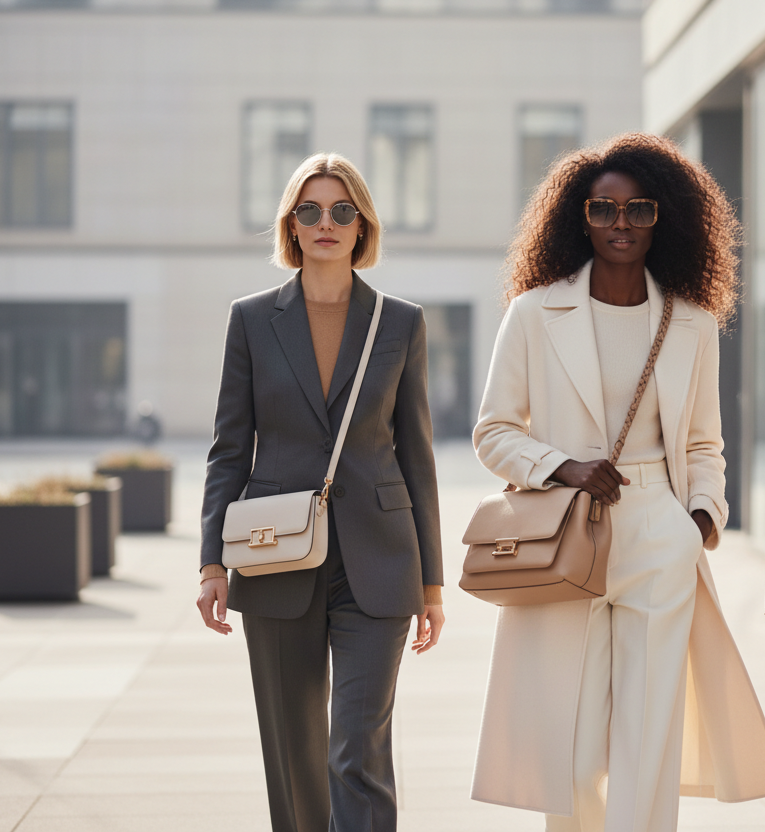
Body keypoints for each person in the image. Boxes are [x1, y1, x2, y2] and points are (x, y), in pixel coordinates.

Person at [469, 133, 765, 832]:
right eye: (604, 209)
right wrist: (563, 467)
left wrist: (700, 519)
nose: (620, 224)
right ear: (578, 217)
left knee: (649, 741)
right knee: (575, 752)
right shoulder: (534, 312)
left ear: (660, 218)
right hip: (565, 533)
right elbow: (493, 432)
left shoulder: (693, 323)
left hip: (658, 530)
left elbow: (705, 440)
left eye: (637, 210)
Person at [195, 152, 444, 832]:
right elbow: (227, 449)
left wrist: (433, 583)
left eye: (341, 210)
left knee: (356, 749)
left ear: (362, 225)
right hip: (275, 556)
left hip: (381, 561)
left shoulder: (400, 323)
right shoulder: (250, 320)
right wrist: (212, 562)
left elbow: (417, 455)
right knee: (294, 756)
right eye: (310, 210)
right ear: (292, 226)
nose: (326, 222)